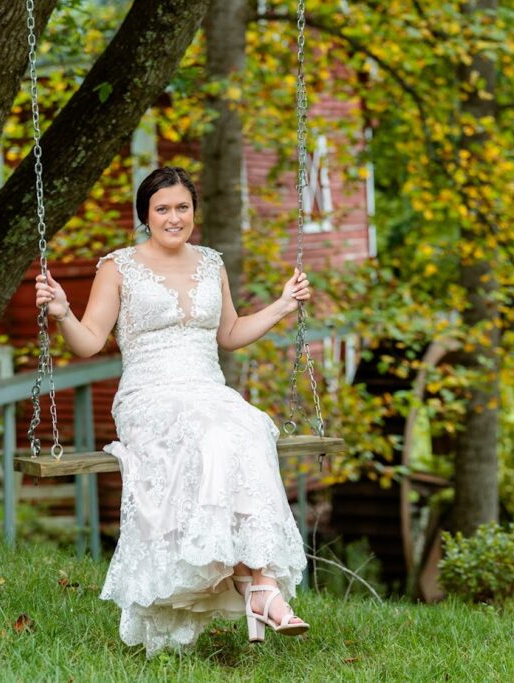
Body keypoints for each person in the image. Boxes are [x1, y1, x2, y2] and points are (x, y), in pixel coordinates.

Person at [35, 166, 312, 656]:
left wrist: (282, 306)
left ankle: (259, 579)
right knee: (210, 432)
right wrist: (62, 313)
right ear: (145, 214)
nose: (173, 216)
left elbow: (228, 334)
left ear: (194, 212)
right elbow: (89, 342)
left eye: (182, 206)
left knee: (248, 425)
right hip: (151, 395)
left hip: (209, 389)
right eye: (162, 208)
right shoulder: (117, 266)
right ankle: (254, 587)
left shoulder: (211, 263)